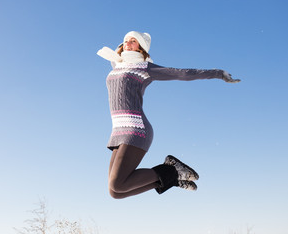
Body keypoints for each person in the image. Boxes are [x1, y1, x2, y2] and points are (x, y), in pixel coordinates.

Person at [97, 31, 240, 199]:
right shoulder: (118, 64)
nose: (128, 43)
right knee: (115, 192)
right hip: (117, 132)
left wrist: (218, 73)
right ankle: (171, 178)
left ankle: (172, 170)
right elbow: (115, 57)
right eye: (126, 40)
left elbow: (181, 73)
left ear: (141, 47)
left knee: (117, 184)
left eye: (133, 41)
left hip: (135, 129)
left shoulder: (145, 67)